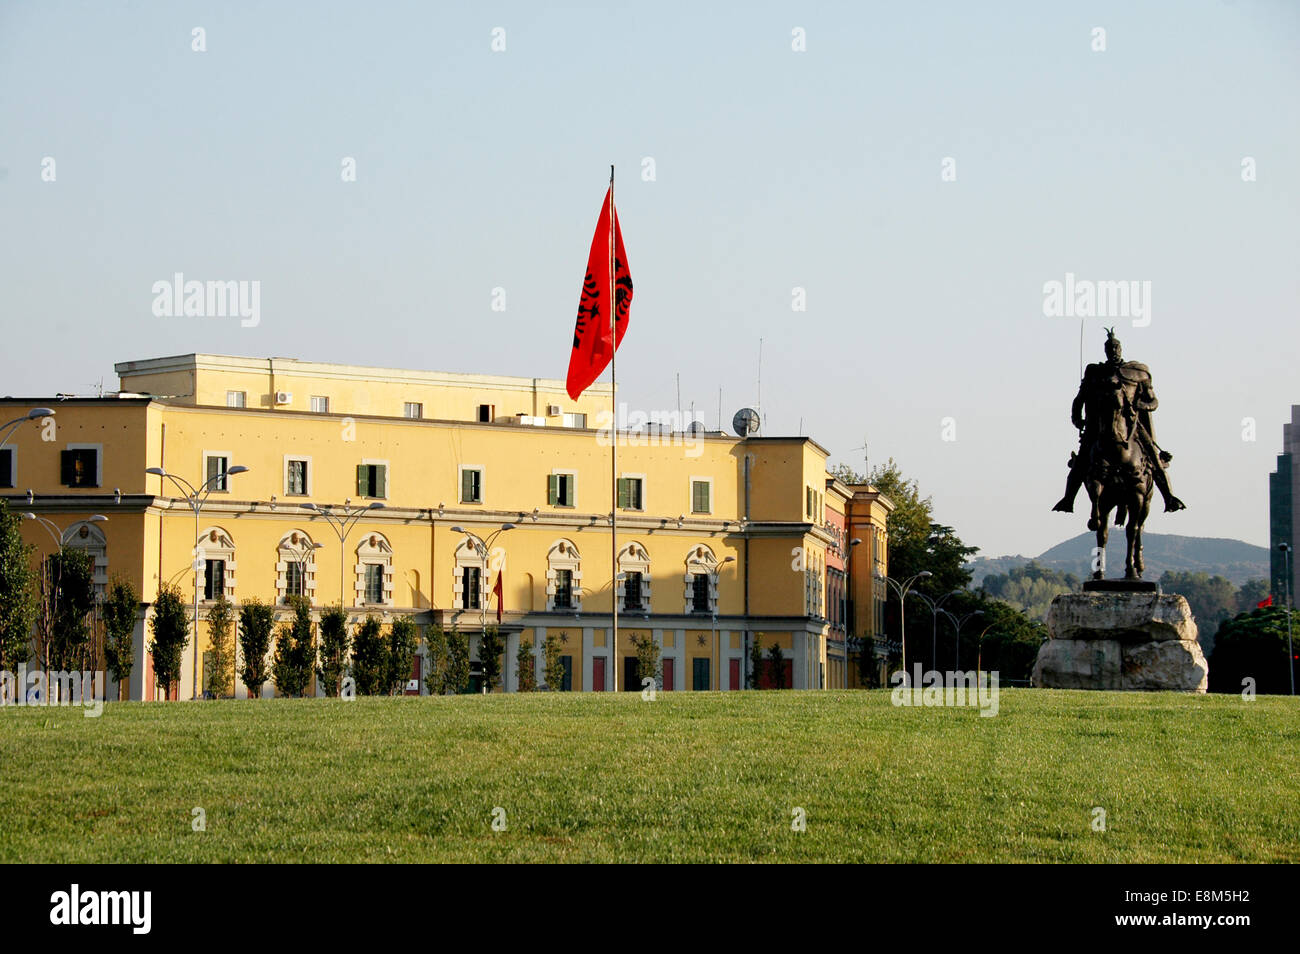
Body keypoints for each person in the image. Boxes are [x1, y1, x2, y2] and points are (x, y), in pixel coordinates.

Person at [1052, 329, 1185, 514]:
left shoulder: (1138, 372)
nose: (1113, 350)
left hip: (1132, 425)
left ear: (1120, 349)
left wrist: (1140, 404)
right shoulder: (1095, 372)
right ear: (1105, 351)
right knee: (1082, 460)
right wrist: (1077, 419)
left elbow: (1153, 401)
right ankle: (1068, 499)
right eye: (1110, 348)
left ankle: (1169, 498)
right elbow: (1079, 399)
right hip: (1098, 426)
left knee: (1153, 456)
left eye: (1116, 347)